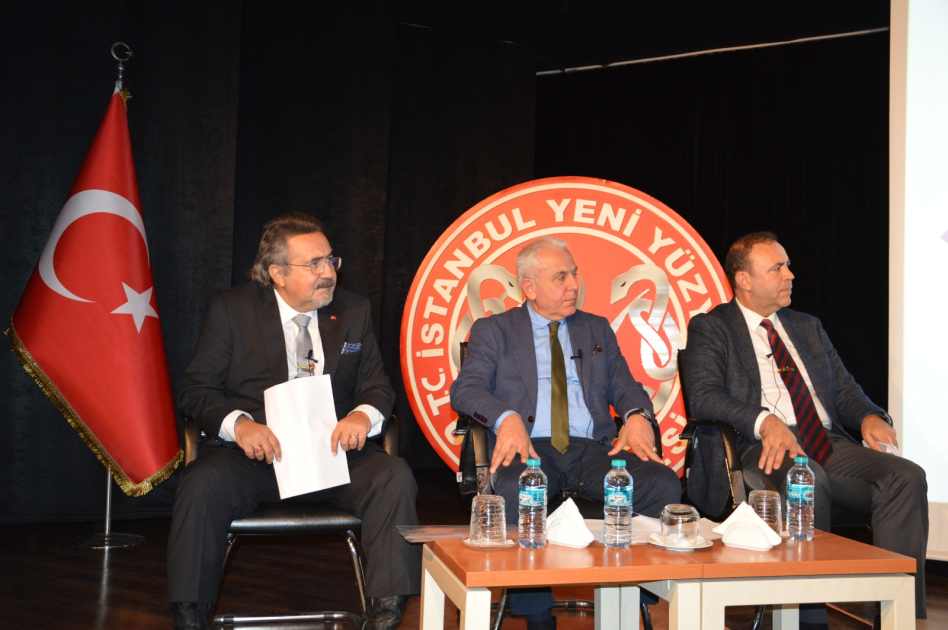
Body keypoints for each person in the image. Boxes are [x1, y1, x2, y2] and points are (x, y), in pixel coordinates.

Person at [167, 213, 420, 630]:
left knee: (393, 476)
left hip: (334, 454)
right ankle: (191, 618)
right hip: (255, 458)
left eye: (331, 261)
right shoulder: (233, 310)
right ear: (277, 274)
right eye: (314, 264)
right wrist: (240, 425)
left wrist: (362, 415)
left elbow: (377, 385)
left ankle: (385, 616)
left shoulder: (353, 310)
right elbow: (197, 391)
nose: (328, 273)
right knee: (201, 484)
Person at [683, 231, 928, 627]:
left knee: (906, 477)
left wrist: (869, 416)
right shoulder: (712, 327)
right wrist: (766, 421)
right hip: (760, 447)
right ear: (744, 280)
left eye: (788, 266)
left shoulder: (807, 326)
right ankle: (809, 619)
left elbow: (844, 390)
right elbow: (704, 397)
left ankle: (899, 617)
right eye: (777, 268)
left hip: (826, 442)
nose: (790, 275)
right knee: (806, 479)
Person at [450, 236, 682, 630]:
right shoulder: (494, 330)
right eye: (561, 277)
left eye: (574, 273)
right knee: (517, 489)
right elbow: (465, 390)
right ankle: (538, 615)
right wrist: (505, 416)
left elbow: (625, 386)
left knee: (661, 483)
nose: (574, 284)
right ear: (530, 287)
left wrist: (637, 414)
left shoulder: (596, 328)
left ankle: (628, 598)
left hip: (592, 451)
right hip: (530, 449)